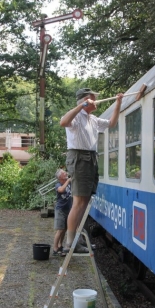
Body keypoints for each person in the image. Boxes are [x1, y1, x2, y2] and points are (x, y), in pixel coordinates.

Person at [60, 88, 124, 253]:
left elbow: (111, 123)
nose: (96, 100)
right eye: (94, 98)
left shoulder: (93, 119)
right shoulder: (76, 118)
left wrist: (118, 102)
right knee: (79, 201)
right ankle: (70, 243)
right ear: (86, 100)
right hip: (80, 158)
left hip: (90, 158)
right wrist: (80, 107)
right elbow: (63, 122)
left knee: (85, 201)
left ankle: (77, 239)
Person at [52, 168, 72, 256]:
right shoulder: (58, 184)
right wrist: (68, 181)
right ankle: (55, 248)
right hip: (60, 210)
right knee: (59, 230)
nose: (66, 173)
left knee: (64, 229)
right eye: (64, 173)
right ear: (60, 177)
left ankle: (60, 245)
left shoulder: (68, 183)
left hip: (68, 210)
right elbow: (61, 190)